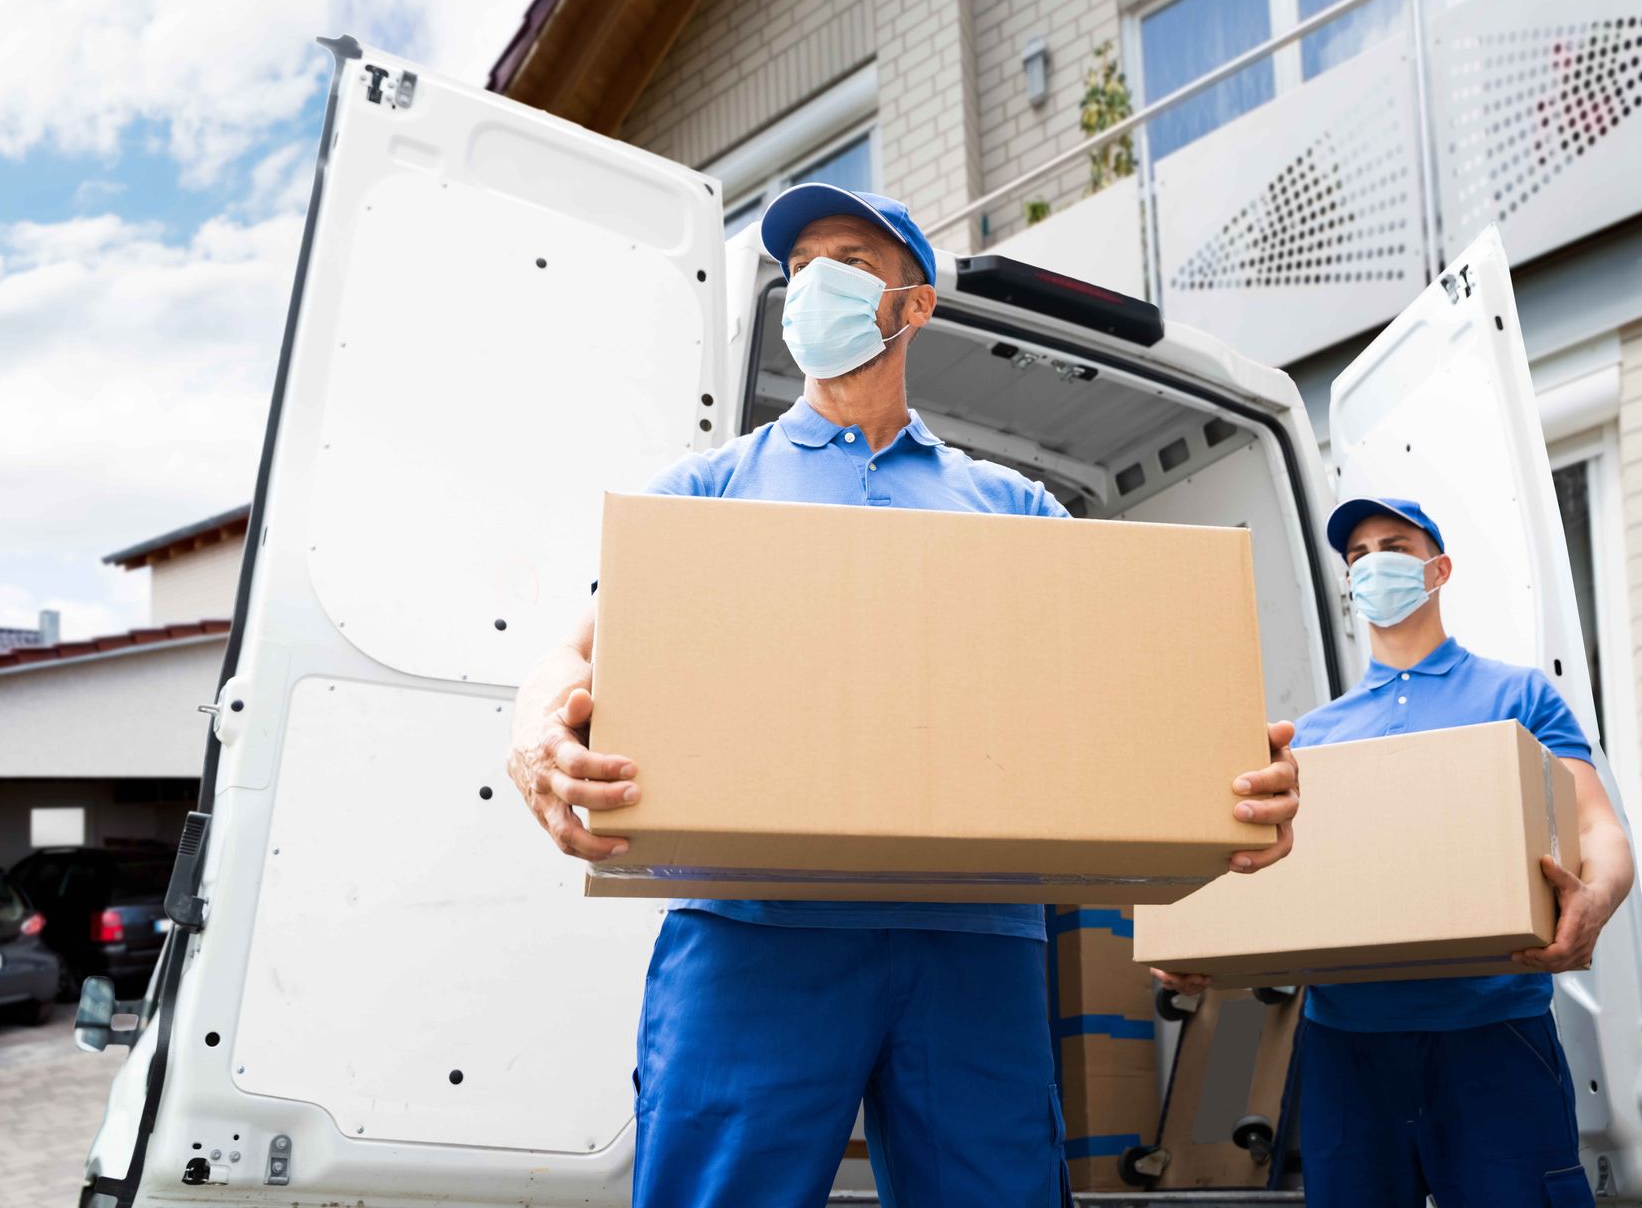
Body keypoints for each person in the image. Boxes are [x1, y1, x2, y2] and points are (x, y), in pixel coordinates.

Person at [505, 181, 1302, 1208]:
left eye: (848, 262)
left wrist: (1230, 778)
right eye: (801, 270)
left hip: (973, 939)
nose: (813, 285)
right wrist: (535, 727)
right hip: (755, 927)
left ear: (913, 304)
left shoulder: (1010, 506)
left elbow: (1126, 691)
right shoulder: (709, 491)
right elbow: (575, 648)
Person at [1154, 496, 1635, 1208]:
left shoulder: (1517, 697)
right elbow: (1251, 876)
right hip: (1349, 1047)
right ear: (1347, 584)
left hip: (1493, 1032)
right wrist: (1192, 947)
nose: (1374, 563)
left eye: (1394, 547)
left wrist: (1597, 898)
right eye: (1357, 556)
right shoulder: (1311, 738)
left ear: (1437, 570)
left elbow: (1599, 828)